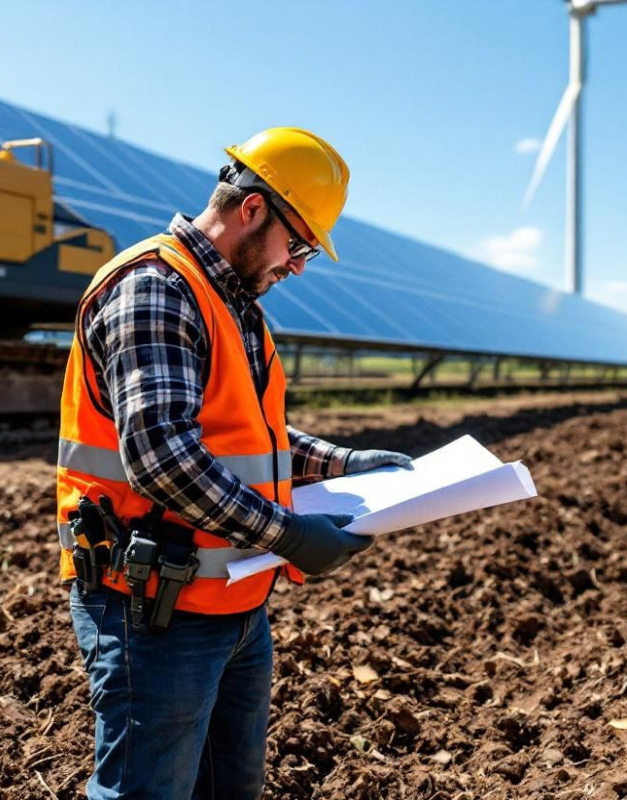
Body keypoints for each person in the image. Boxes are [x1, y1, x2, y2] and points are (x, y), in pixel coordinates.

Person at [55, 127, 412, 798]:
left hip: (233, 598)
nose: (300, 265)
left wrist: (341, 464)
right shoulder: (156, 289)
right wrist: (288, 535)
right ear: (253, 209)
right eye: (299, 243)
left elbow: (247, 434)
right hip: (155, 608)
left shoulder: (230, 302)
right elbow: (162, 457)